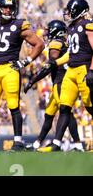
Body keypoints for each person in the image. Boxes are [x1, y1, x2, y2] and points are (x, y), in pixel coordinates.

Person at [0, 0, 44, 152]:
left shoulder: (20, 24)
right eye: (5, 7)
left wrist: (25, 61)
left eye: (10, 7)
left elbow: (39, 44)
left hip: (10, 68)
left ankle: (18, 142)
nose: (7, 10)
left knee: (13, 104)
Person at [38, 0, 93, 152]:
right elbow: (71, 52)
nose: (68, 14)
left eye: (70, 11)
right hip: (71, 71)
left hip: (83, 69)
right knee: (64, 108)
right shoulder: (73, 28)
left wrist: (92, 70)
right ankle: (56, 144)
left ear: (78, 10)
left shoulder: (87, 26)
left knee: (90, 107)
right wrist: (56, 63)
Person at [23, 20, 83, 151]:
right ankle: (37, 144)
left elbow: (48, 67)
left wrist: (32, 80)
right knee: (49, 114)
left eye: (49, 30)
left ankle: (77, 145)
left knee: (66, 112)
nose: (47, 32)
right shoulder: (64, 43)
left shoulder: (56, 43)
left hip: (62, 82)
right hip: (60, 82)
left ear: (55, 31)